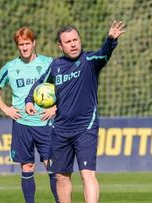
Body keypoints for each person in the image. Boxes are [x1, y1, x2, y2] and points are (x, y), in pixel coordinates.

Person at [25, 21, 125, 203]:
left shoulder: (89, 61)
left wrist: (110, 40)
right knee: (61, 177)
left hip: (85, 127)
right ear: (60, 46)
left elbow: (104, 53)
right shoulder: (56, 66)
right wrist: (29, 100)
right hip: (60, 130)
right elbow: (40, 83)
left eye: (75, 40)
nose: (73, 44)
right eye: (68, 41)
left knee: (87, 174)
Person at [0, 27, 59, 203]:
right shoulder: (11, 67)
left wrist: (55, 107)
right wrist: (6, 108)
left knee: (52, 167)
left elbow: (64, 86)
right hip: (22, 124)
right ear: (17, 46)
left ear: (34, 43)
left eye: (27, 43)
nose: (25, 48)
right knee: (27, 166)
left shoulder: (48, 63)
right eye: (21, 44)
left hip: (45, 124)